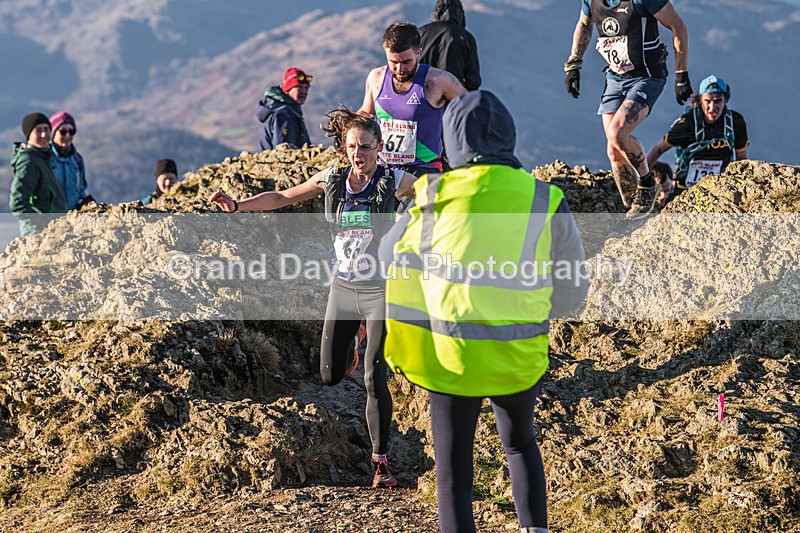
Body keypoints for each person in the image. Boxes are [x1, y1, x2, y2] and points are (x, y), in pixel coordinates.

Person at [379, 91, 588, 533]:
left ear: (453, 142)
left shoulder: (432, 194)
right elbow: (573, 292)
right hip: (519, 357)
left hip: (449, 357)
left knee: (453, 475)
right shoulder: (544, 198)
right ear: (508, 137)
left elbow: (386, 256)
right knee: (519, 446)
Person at [209, 107, 417, 488]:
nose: (359, 154)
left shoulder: (395, 179)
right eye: (352, 146)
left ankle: (380, 462)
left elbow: (435, 197)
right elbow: (282, 197)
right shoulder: (332, 179)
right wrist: (239, 205)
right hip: (343, 287)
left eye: (366, 147)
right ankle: (355, 338)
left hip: (380, 291)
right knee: (330, 375)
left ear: (380, 147)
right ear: (344, 148)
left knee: (374, 376)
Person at [564, 0, 691, 219]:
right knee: (613, 151)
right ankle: (633, 210)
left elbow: (678, 26)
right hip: (614, 77)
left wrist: (681, 76)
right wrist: (574, 63)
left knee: (618, 132)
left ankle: (647, 184)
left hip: (647, 76)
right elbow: (585, 24)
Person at [358, 22, 466, 176]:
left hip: (425, 169)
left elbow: (472, 107)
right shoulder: (376, 78)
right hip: (384, 168)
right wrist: (350, 126)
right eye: (393, 62)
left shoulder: (438, 80)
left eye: (406, 62)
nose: (400, 69)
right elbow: (366, 112)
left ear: (418, 53)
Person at [646, 75, 748, 192]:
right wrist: (642, 179)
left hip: (721, 190)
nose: (712, 107)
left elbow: (742, 161)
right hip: (685, 189)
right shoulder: (687, 123)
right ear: (700, 100)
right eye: (707, 101)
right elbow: (658, 149)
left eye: (718, 101)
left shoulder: (735, 122)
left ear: (725, 99)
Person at [9, 112, 67, 237]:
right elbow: (17, 202)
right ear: (28, 134)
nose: (44, 134)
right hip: (38, 234)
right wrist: (42, 223)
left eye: (47, 129)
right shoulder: (29, 161)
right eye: (38, 130)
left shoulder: (42, 158)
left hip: (52, 232)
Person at [419, 0, 481, 91]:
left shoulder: (420, 33)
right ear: (460, 14)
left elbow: (409, 66)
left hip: (424, 93)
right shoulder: (466, 37)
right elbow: (473, 81)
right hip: (453, 97)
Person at [256, 67, 312, 151]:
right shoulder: (284, 114)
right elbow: (284, 151)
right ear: (287, 90)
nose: (304, 91)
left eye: (306, 87)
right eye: (299, 87)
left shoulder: (289, 111)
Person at [49, 111, 90, 211]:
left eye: (71, 132)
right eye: (63, 131)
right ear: (52, 133)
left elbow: (81, 189)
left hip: (72, 220)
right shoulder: (45, 158)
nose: (67, 135)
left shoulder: (77, 160)